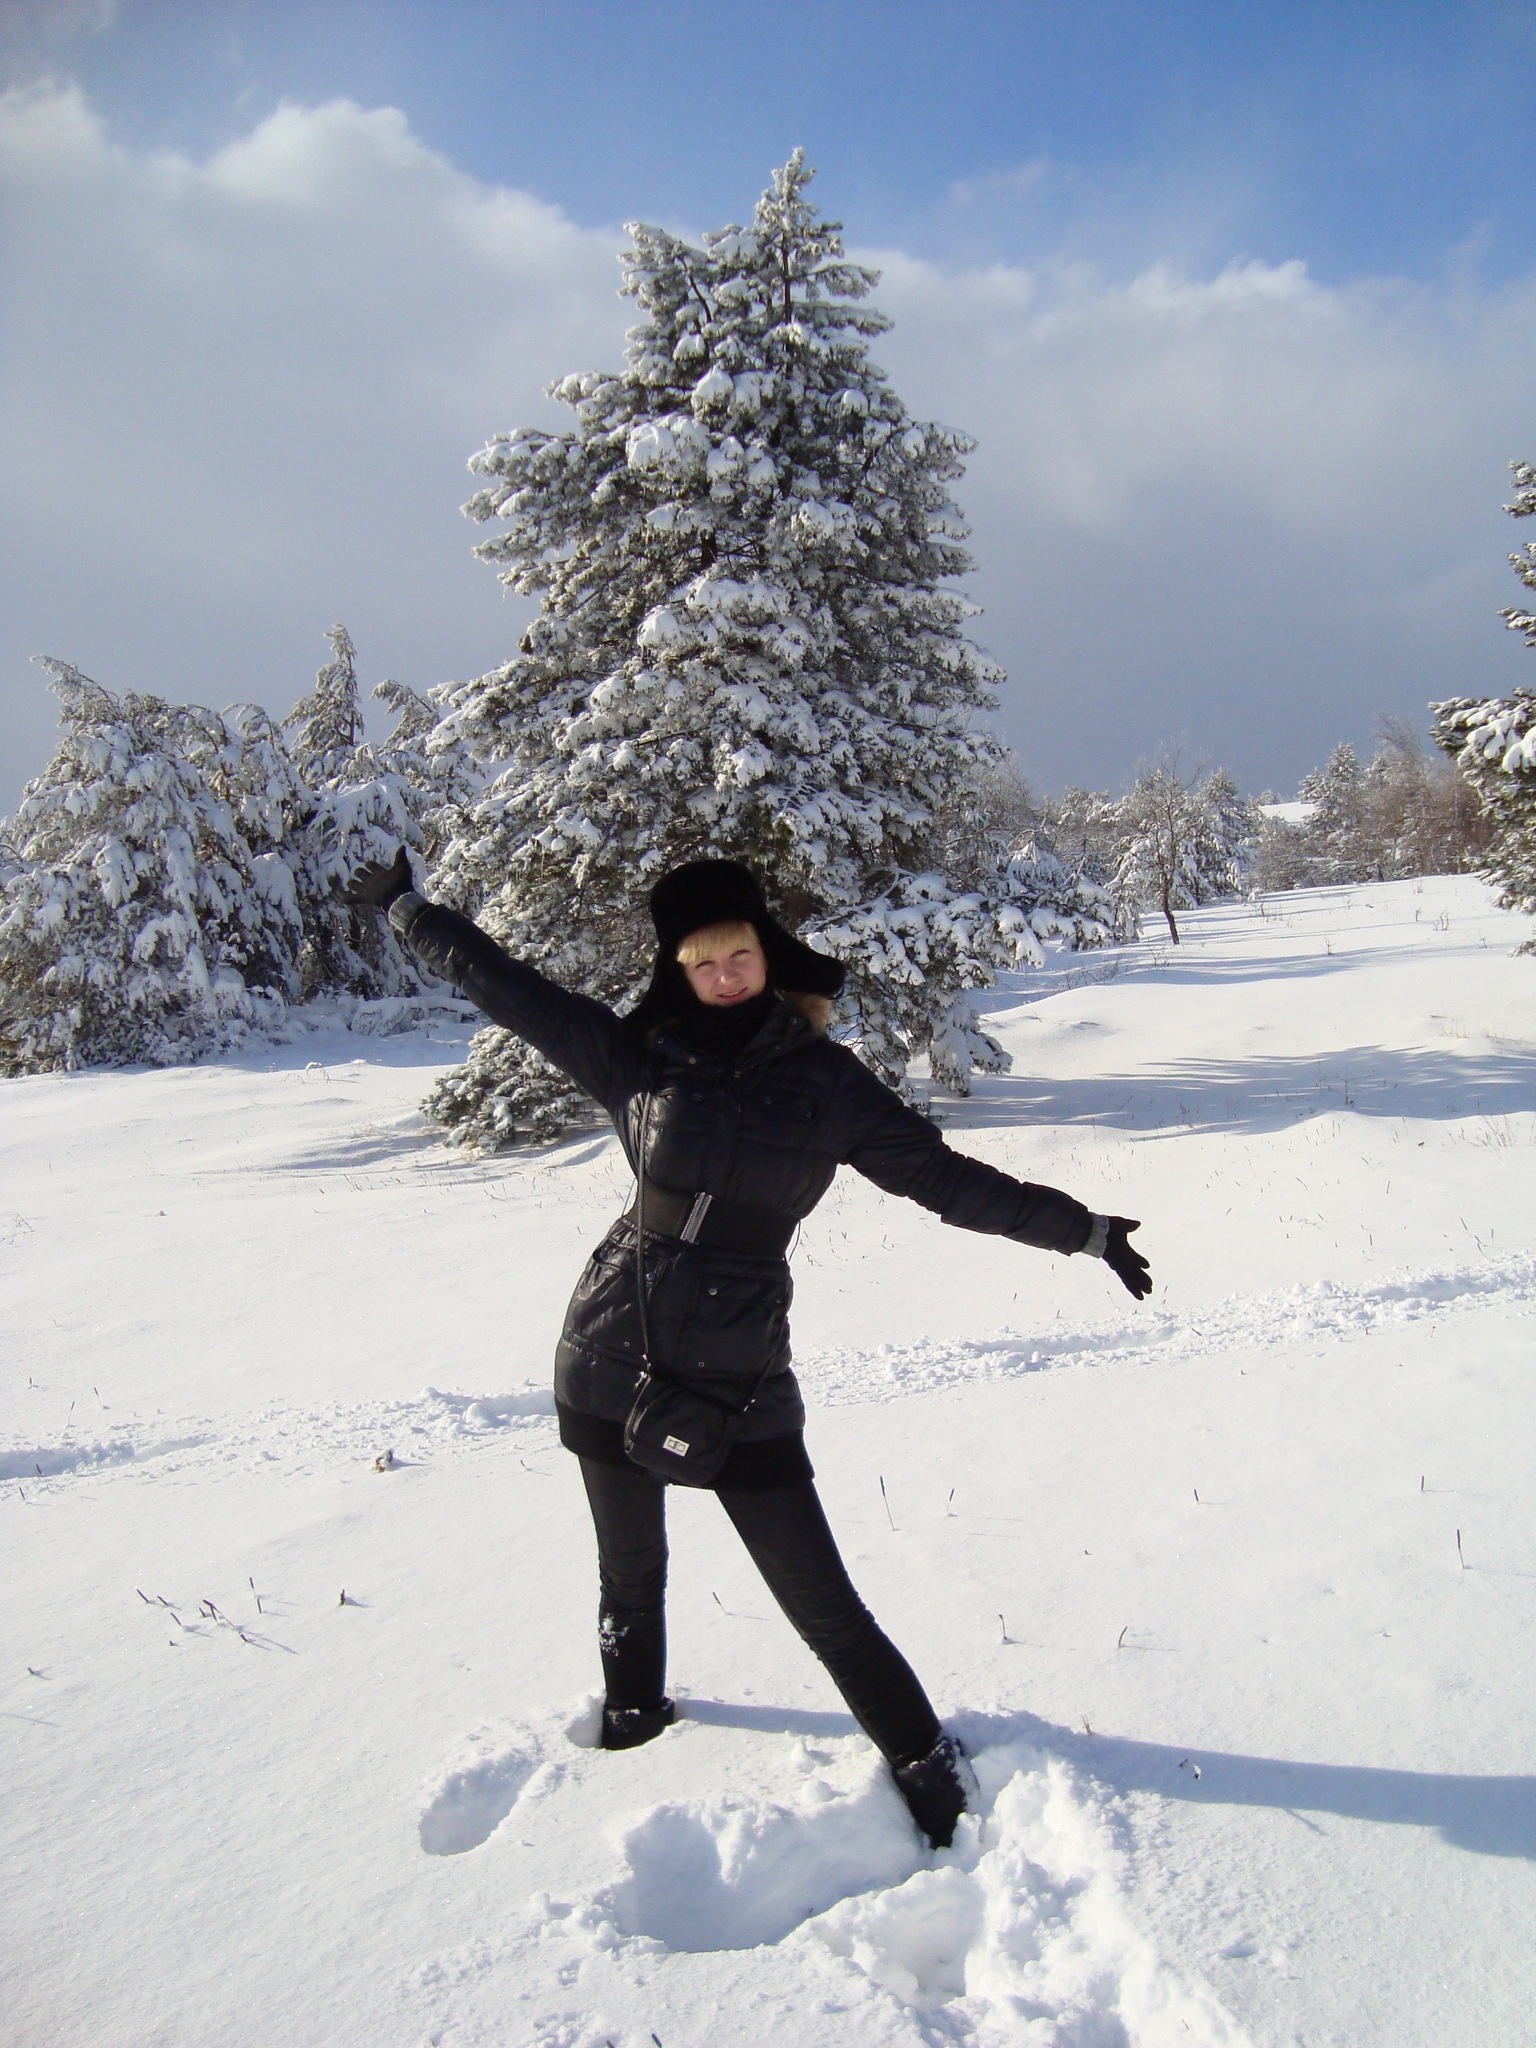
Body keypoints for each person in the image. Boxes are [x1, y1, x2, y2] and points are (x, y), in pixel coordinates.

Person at [343, 850, 1151, 1847]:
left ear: (768, 954)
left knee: (824, 1601)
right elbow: (509, 988)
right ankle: (632, 1723)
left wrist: (1082, 1230)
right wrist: (409, 910)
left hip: (742, 1374)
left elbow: (945, 1181)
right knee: (628, 1575)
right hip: (610, 1349)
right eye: (703, 961)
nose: (725, 975)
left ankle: (928, 1772)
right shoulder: (638, 1060)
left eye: (740, 954)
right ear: (677, 972)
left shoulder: (827, 1081)